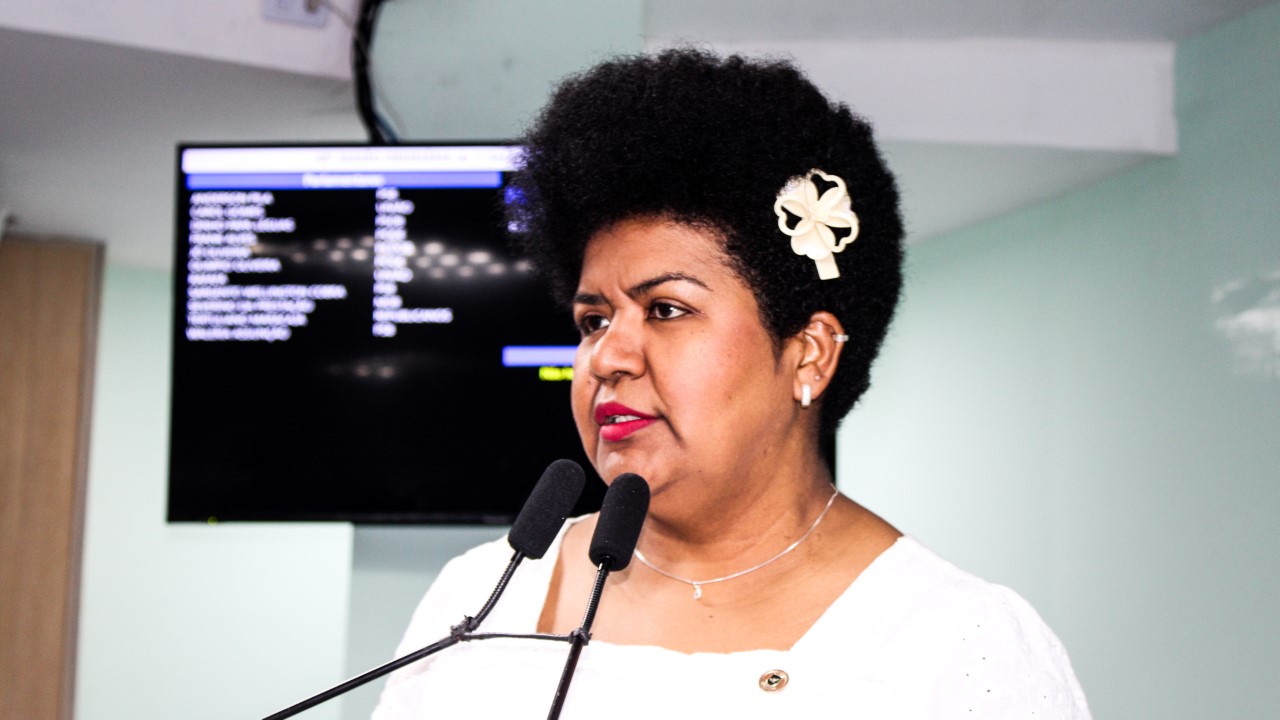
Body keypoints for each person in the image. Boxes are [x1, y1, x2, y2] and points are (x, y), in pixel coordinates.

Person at [372, 49, 1091, 718]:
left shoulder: (961, 644)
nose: (608, 357)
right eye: (593, 320)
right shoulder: (482, 594)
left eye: (666, 309)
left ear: (809, 354)